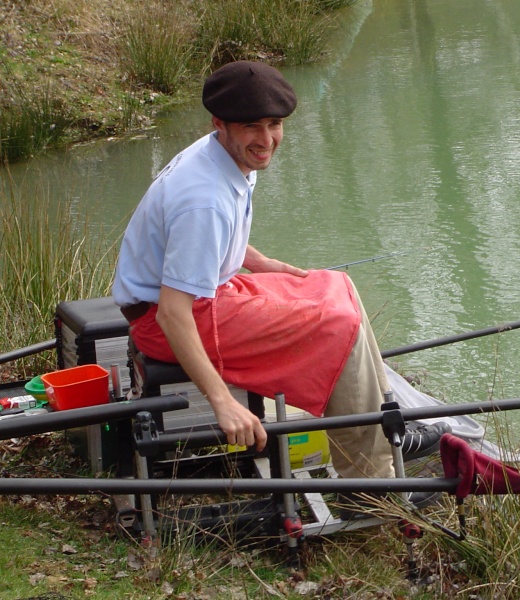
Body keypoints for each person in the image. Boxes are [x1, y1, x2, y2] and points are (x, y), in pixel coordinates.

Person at [112, 61, 444, 488]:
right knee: (336, 325)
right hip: (172, 317)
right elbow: (171, 314)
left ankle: (382, 429)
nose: (266, 140)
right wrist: (222, 403)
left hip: (204, 294)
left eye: (274, 124)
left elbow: (202, 241)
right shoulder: (203, 199)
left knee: (334, 285)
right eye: (252, 126)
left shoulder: (221, 154)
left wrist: (260, 261)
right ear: (221, 123)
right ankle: (369, 484)